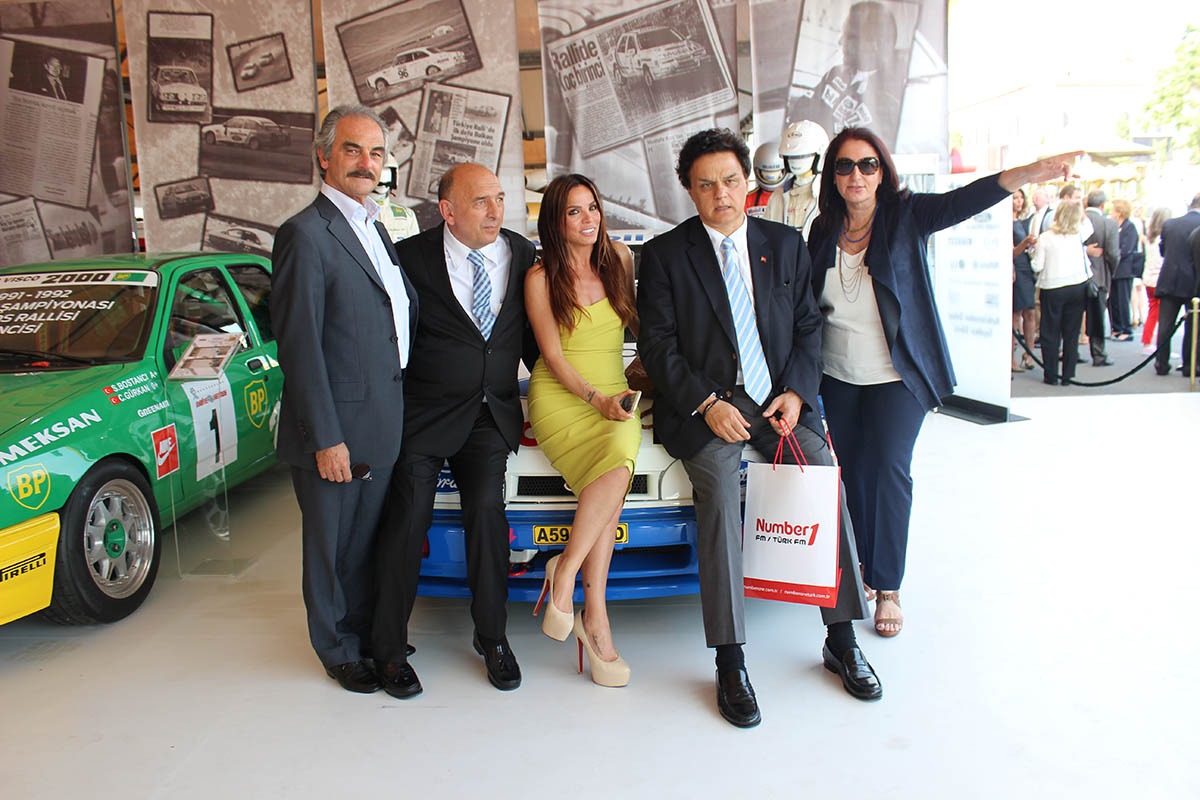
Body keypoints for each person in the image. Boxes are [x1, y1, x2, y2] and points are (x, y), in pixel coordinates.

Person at [638, 128, 880, 730]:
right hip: (710, 405)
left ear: (747, 180)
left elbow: (808, 325)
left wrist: (796, 391)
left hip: (778, 400)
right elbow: (659, 347)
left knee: (822, 476)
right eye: (705, 185)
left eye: (729, 180)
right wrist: (705, 403)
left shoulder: (784, 243)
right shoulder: (667, 254)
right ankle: (730, 659)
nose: (720, 193)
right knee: (720, 498)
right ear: (689, 191)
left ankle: (842, 638)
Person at [806, 126, 1080, 637]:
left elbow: (966, 199)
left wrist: (1027, 173)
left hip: (898, 374)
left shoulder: (907, 215)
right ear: (833, 177)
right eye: (844, 165)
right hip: (838, 375)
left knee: (889, 469)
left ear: (882, 171)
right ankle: (863, 565)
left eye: (867, 164)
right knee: (854, 472)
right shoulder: (823, 230)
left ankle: (888, 585)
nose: (856, 175)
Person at [371, 162, 537, 698]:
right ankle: (388, 648)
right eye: (481, 201)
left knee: (487, 516)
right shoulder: (411, 258)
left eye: (499, 198)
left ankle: (493, 638)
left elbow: (535, 337)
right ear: (447, 210)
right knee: (407, 522)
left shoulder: (521, 253)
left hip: (489, 415)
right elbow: (389, 336)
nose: (495, 211)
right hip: (423, 416)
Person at [271, 104, 417, 694]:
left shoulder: (374, 227)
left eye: (376, 153)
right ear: (323, 156)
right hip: (338, 430)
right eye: (352, 149)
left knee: (364, 544)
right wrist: (325, 437)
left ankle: (366, 635)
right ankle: (337, 648)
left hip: (381, 418)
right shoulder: (305, 234)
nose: (366, 162)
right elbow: (299, 345)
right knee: (332, 548)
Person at [525, 174, 639, 687]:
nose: (588, 218)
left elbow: (641, 328)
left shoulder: (620, 260)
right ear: (556, 220)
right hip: (563, 396)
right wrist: (596, 400)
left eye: (592, 207)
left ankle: (567, 573)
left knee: (617, 461)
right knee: (613, 479)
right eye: (574, 211)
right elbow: (551, 357)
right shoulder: (540, 277)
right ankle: (593, 616)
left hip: (615, 392)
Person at [788, 1, 905, 147]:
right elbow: (800, 115)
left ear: (875, 44)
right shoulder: (834, 75)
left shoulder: (893, 99)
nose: (840, 41)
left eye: (850, 37)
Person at [1031, 201, 1093, 385]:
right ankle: (1067, 374)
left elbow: (1037, 266)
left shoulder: (1045, 238)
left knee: (1050, 332)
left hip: (1053, 287)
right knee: (1071, 333)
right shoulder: (1079, 235)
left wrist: (1031, 254)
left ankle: (1051, 374)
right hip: (1077, 286)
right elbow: (1089, 226)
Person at [1154, 193, 1200, 375]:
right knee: (1193, 327)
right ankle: (1189, 365)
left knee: (1165, 325)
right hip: (1194, 283)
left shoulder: (1170, 224)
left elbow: (1163, 251)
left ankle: (1161, 363)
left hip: (1170, 279)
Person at [1083, 190, 1117, 366]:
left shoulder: (1078, 219)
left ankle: (1068, 352)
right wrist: (1112, 271)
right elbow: (1113, 253)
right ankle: (1098, 353)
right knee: (1097, 316)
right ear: (1103, 205)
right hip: (1100, 274)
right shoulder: (1108, 223)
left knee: (1072, 316)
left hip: (1075, 274)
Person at [1012, 188, 1037, 371]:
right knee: (1015, 315)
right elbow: (1011, 253)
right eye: (1015, 198)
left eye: (1021, 198)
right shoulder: (1007, 224)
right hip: (1016, 270)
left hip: (1027, 269)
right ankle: (1011, 359)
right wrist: (1025, 243)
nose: (1019, 201)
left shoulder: (1022, 222)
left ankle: (1030, 355)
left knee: (1030, 312)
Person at [1109, 199, 1141, 341]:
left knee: (1123, 300)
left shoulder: (1130, 227)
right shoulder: (1115, 226)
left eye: (1113, 210)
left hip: (1124, 269)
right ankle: (1116, 327)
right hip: (1114, 269)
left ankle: (1126, 329)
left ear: (1119, 212)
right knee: (1113, 301)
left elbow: (1127, 248)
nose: (1111, 213)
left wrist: (1115, 254)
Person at [1140, 207, 1171, 353]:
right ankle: (1156, 345)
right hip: (1160, 279)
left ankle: (1147, 341)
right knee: (1163, 316)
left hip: (1149, 278)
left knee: (1153, 311)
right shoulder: (1163, 240)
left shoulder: (1149, 238)